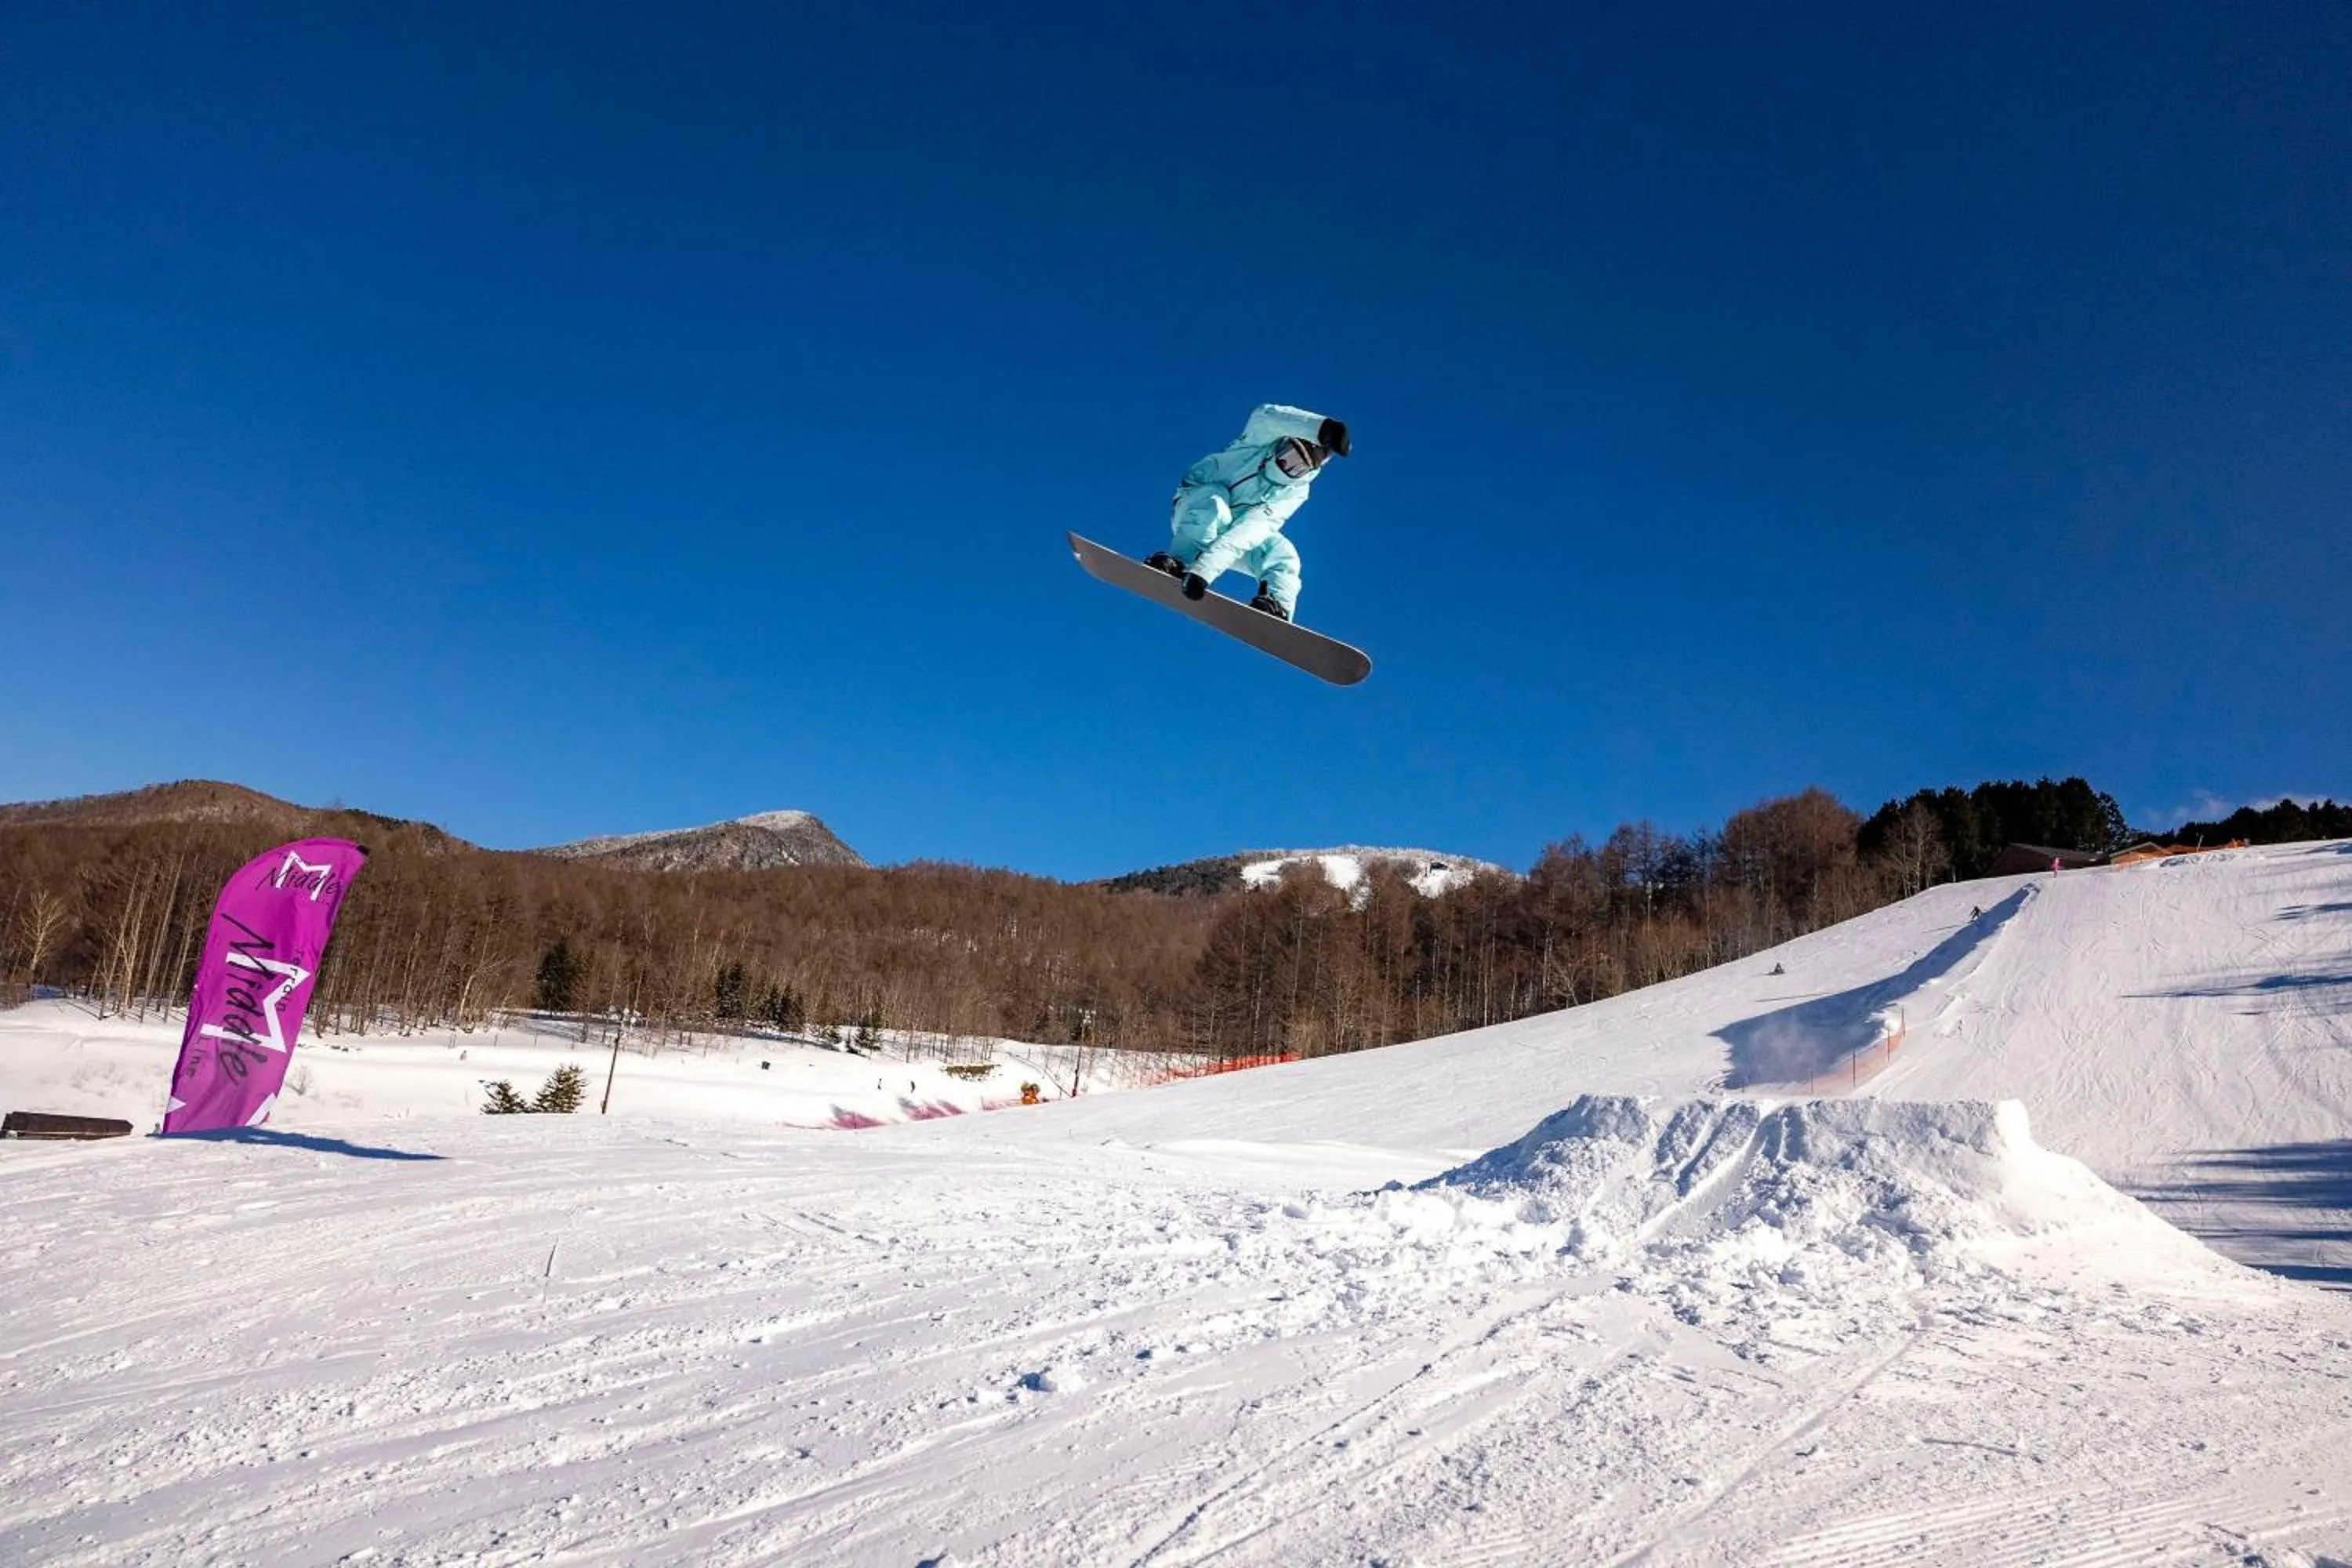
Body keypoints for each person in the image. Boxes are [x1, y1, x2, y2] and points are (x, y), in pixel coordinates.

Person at [1145, 403, 1350, 622]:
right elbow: (1268, 416)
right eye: (1288, 454)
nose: (1285, 466)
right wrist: (1322, 428)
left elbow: (1250, 531)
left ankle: (1276, 607)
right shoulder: (1257, 442)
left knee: (1284, 554)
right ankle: (1178, 561)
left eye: (1298, 467)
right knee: (1215, 503)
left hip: (1230, 537)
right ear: (1283, 442)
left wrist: (1204, 572)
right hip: (1194, 509)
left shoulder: (1295, 492)